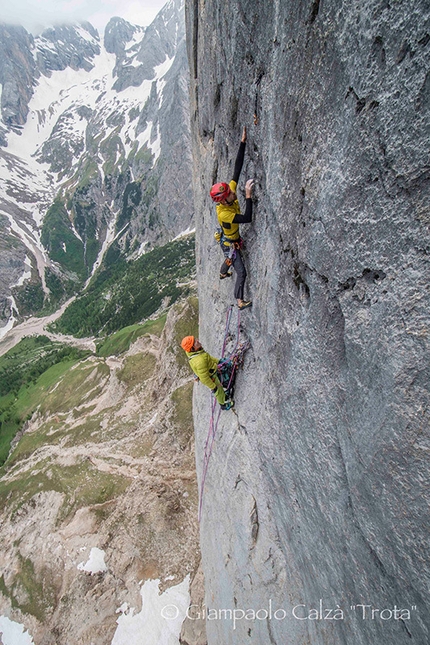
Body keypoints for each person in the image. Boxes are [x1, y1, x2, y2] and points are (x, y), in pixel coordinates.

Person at [210, 126, 254, 311]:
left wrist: (242, 142)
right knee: (241, 272)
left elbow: (237, 169)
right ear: (224, 201)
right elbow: (247, 218)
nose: (233, 193)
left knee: (230, 258)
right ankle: (239, 301)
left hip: (228, 239)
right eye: (230, 194)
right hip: (229, 242)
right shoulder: (225, 214)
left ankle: (222, 273)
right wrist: (248, 195)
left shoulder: (228, 197)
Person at [180, 336, 234, 410]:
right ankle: (223, 405)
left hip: (212, 370)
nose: (198, 341)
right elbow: (204, 378)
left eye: (195, 340)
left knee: (220, 388)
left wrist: (219, 361)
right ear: (192, 348)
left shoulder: (197, 352)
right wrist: (213, 387)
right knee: (219, 390)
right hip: (212, 377)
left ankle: (224, 396)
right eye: (195, 342)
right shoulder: (199, 361)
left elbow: (208, 358)